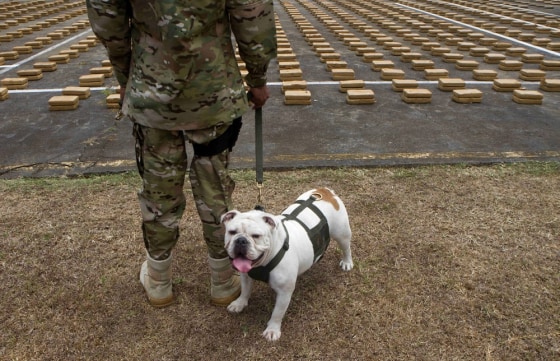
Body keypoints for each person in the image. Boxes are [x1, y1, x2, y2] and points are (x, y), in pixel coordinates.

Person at [86, 0, 277, 307]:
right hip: (213, 96)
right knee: (214, 190)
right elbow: (252, 18)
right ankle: (223, 281)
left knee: (160, 193)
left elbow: (109, 24)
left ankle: (159, 281)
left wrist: (124, 77)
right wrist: (257, 78)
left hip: (152, 97)